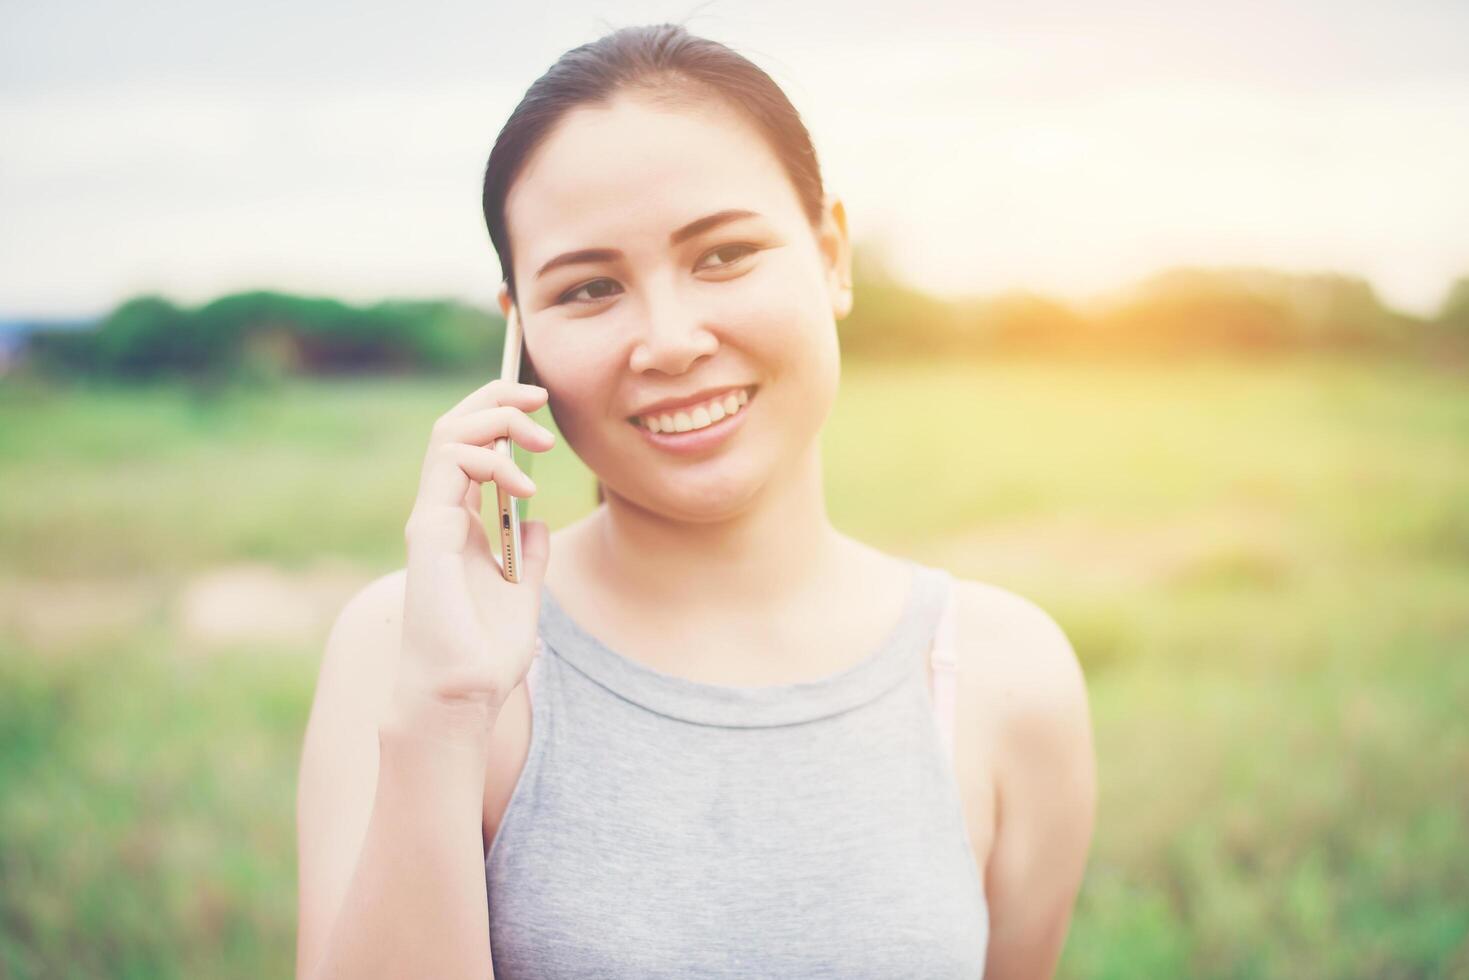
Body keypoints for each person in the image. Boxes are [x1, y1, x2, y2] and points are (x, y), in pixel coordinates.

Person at [295, 22, 1096, 980]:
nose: (669, 341)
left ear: (830, 253)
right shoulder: (411, 652)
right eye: (589, 288)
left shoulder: (1000, 677)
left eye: (721, 256)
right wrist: (443, 715)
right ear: (522, 338)